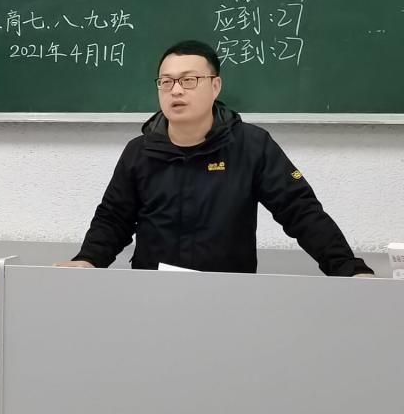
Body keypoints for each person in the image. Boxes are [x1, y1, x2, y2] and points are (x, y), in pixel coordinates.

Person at [59, 40, 373, 276]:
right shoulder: (139, 151)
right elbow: (113, 218)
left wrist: (348, 268)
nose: (176, 90)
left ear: (215, 86)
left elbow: (301, 211)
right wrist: (88, 260)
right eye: (166, 81)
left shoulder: (252, 145)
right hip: (153, 292)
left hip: (228, 294)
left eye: (189, 80)